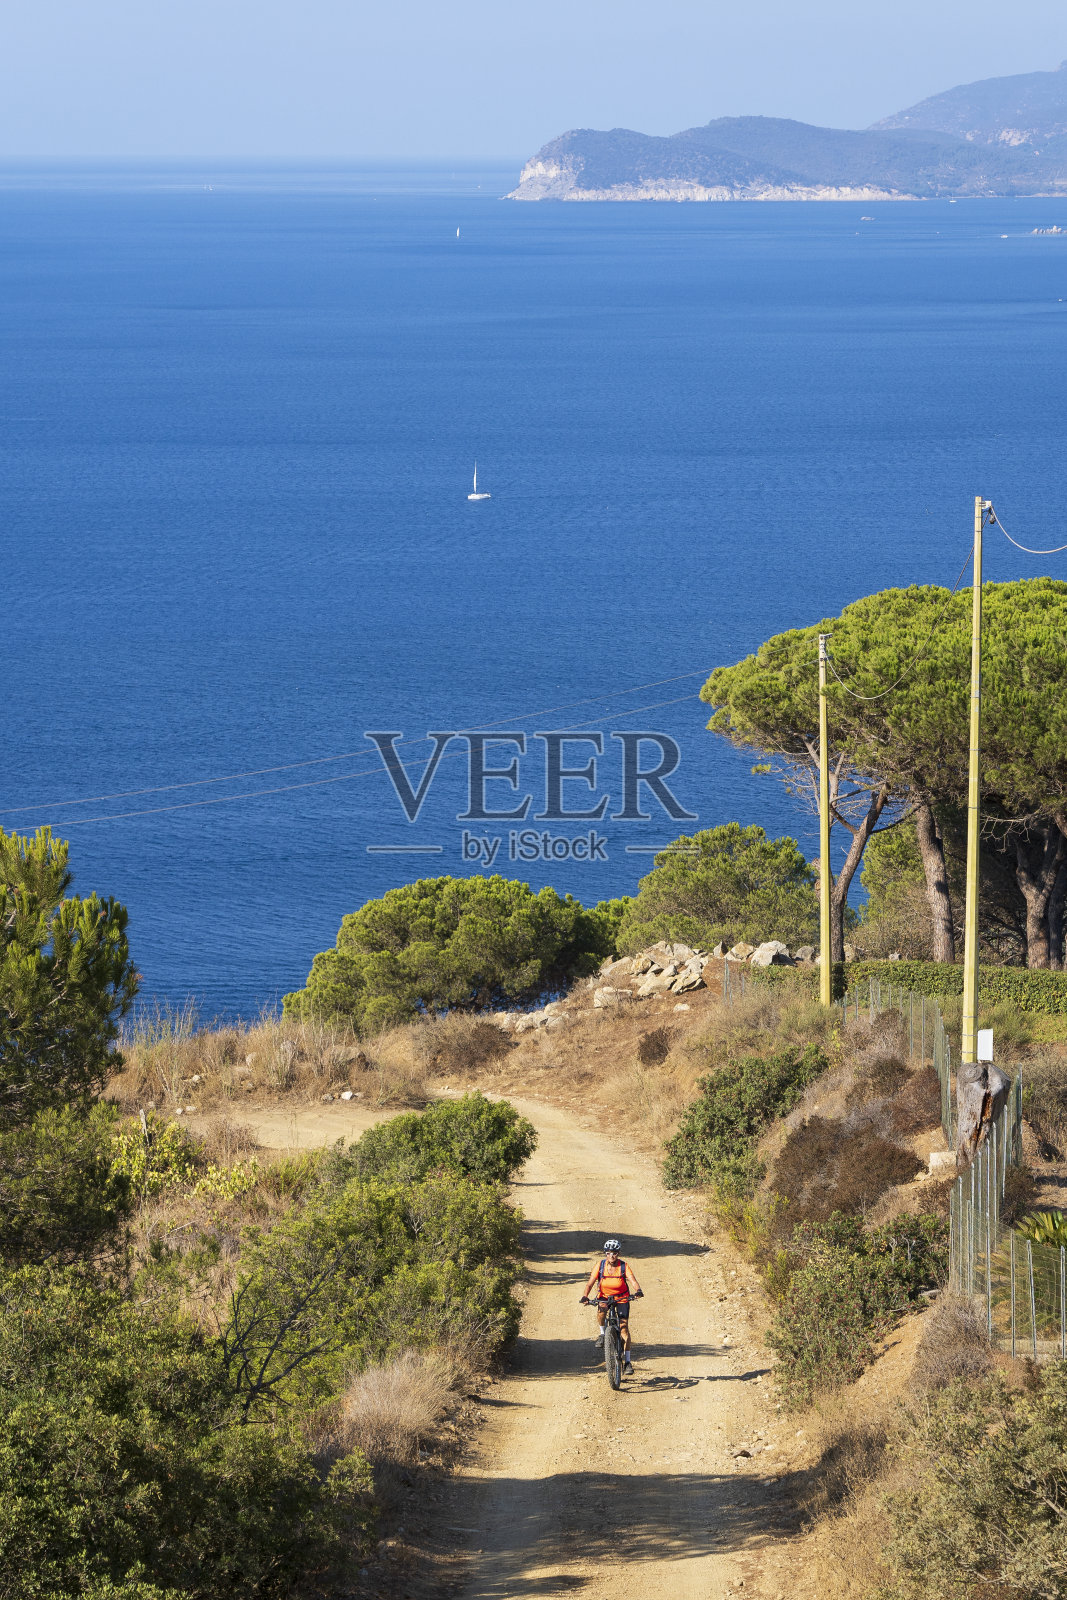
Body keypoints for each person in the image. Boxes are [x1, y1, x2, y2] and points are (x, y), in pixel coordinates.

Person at [579, 1238, 643, 1374]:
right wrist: (585, 1296)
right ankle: (603, 1334)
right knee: (601, 1312)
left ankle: (627, 1363)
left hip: (622, 1298)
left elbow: (632, 1280)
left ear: (618, 1253)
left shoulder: (624, 1266)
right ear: (605, 1254)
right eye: (608, 1253)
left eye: (614, 1253)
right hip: (604, 1296)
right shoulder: (600, 1266)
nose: (611, 1256)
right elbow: (590, 1283)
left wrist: (638, 1291)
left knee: (624, 1329)